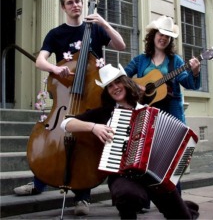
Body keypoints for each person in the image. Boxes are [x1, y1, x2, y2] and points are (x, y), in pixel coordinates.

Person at [13, 0, 126, 216]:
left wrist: (104, 23)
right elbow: (40, 60)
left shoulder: (95, 29)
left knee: (86, 140)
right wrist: (56, 68)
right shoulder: (56, 34)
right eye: (70, 2)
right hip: (65, 95)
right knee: (53, 139)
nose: (75, 5)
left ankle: (83, 197)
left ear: (83, 4)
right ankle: (38, 182)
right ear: (64, 7)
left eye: (77, 1)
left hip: (91, 98)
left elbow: (121, 46)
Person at [60, 63, 200, 219]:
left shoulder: (148, 111)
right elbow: (66, 124)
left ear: (125, 83)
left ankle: (186, 208)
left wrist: (181, 160)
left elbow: (172, 146)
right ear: (107, 91)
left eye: (117, 82)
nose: (115, 87)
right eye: (110, 86)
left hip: (154, 176)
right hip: (122, 175)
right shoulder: (105, 113)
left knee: (183, 217)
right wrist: (94, 127)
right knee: (127, 195)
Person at [124, 15, 200, 211]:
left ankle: (176, 203)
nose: (163, 38)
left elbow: (189, 83)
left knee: (172, 160)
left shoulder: (176, 61)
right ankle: (144, 201)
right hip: (147, 114)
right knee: (146, 159)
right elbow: (123, 76)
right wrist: (138, 87)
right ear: (153, 35)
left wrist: (195, 72)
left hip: (171, 114)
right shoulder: (141, 60)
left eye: (167, 35)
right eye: (160, 34)